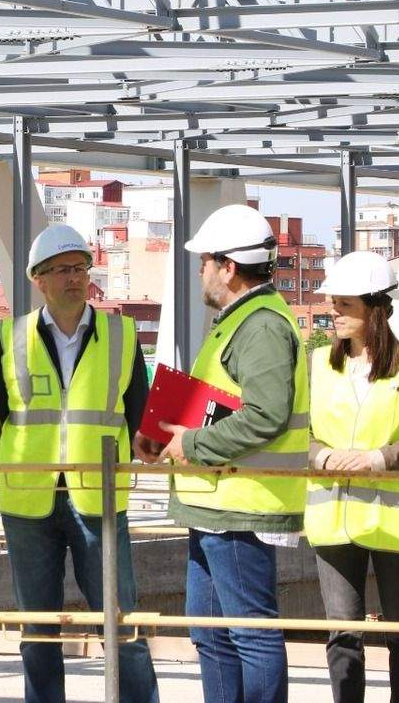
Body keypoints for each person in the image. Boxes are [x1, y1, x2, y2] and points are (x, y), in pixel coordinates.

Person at [134, 203, 307, 703]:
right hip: (216, 504)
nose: (201, 272)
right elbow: (220, 403)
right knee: (210, 633)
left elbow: (266, 415)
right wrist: (165, 431)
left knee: (250, 633)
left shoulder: (260, 326)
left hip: (241, 506)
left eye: (205, 262)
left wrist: (189, 443)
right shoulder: (240, 321)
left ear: (229, 267)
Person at [0, 224, 159, 703]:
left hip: (98, 499)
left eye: (80, 268)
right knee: (38, 630)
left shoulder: (122, 334)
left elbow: (141, 416)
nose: (74, 278)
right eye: (62, 270)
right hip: (28, 502)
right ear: (38, 280)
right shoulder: (9, 337)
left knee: (120, 622)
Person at [305, 251, 399, 703]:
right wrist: (322, 456)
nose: (333, 312)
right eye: (334, 303)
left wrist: (378, 459)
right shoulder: (319, 365)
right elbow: (297, 435)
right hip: (334, 518)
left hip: (394, 519)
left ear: (375, 308)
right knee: (343, 633)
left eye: (344, 305)